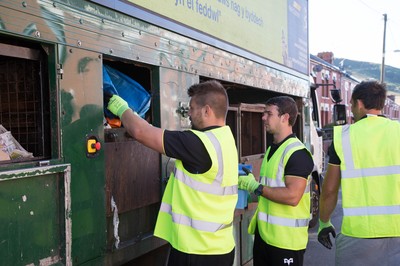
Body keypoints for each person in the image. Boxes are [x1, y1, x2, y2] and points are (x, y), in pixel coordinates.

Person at [107, 80, 238, 266]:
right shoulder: (225, 138)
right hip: (222, 248)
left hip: (196, 251)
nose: (189, 115)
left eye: (192, 109)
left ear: (207, 110)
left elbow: (140, 131)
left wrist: (121, 108)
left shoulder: (198, 143)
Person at [318, 80, 400, 265]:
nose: (352, 110)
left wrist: (324, 222)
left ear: (360, 103)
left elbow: (329, 190)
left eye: (352, 104)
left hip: (358, 235)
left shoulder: (343, 137)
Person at [239, 96, 314, 266]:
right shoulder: (273, 150)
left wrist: (255, 186)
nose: (263, 117)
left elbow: (292, 196)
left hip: (286, 243)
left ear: (285, 118)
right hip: (264, 238)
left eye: (268, 113)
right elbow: (270, 190)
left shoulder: (298, 153)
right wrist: (248, 192)